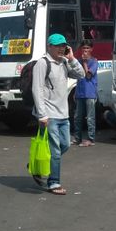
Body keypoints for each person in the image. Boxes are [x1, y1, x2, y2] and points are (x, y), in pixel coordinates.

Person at [32, 33, 85, 195]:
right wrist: (42, 115)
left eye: (63, 45)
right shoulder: (42, 64)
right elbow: (37, 89)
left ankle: (38, 164)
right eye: (58, 46)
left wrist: (72, 59)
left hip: (63, 113)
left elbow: (81, 75)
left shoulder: (64, 63)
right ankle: (53, 182)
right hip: (49, 114)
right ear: (50, 46)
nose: (61, 48)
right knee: (55, 150)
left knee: (65, 145)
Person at [72, 40, 99, 147]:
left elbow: (88, 75)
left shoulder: (94, 62)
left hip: (90, 93)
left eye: (87, 48)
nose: (85, 50)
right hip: (80, 92)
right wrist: (75, 92)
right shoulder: (78, 61)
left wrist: (84, 62)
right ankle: (77, 138)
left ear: (91, 49)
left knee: (90, 117)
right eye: (84, 48)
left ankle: (90, 139)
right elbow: (77, 77)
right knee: (77, 117)